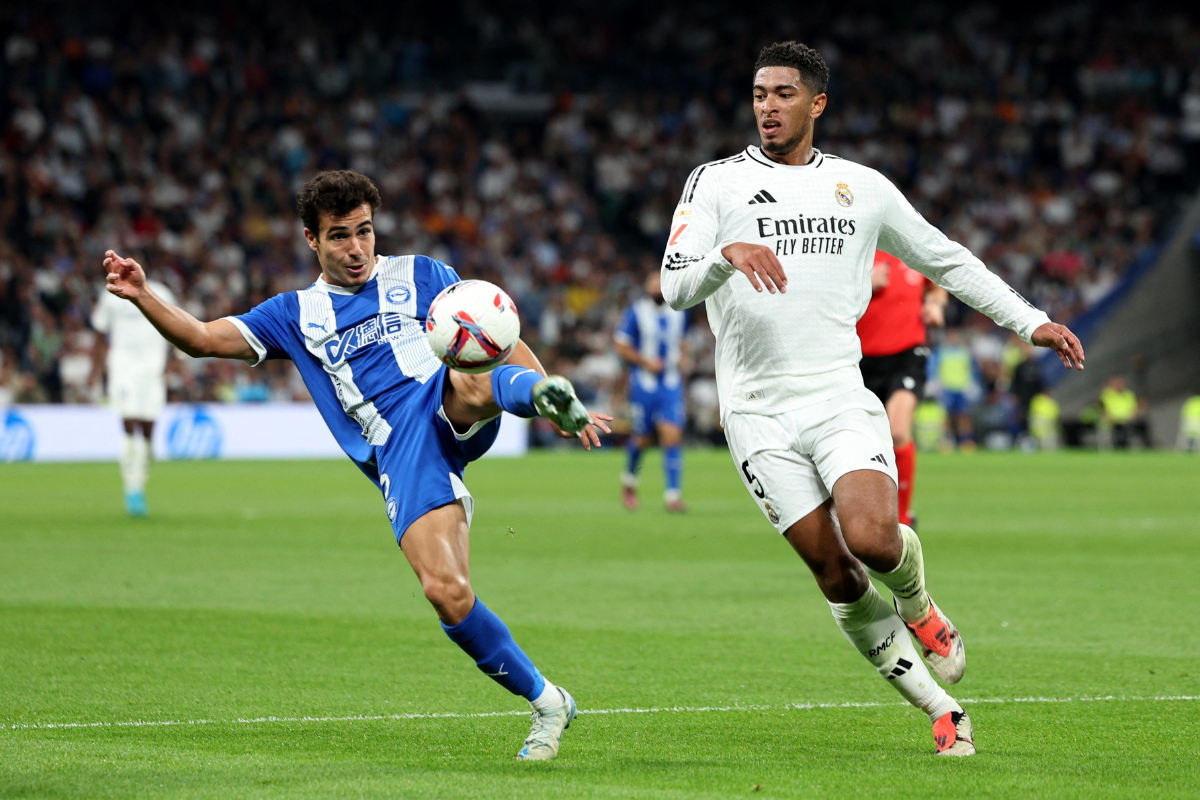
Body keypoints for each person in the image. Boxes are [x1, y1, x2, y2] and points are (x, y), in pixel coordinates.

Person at [660, 41, 1085, 757]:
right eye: (760, 93)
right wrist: (721, 258)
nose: (768, 105)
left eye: (784, 94)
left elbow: (945, 257)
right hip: (756, 413)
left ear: (817, 103)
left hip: (836, 394)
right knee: (834, 569)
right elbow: (673, 286)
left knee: (875, 540)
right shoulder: (717, 184)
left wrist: (1030, 320)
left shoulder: (863, 188)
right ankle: (942, 708)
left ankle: (919, 604)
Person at [101, 170, 612, 761]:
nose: (356, 248)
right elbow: (200, 338)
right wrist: (143, 295)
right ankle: (548, 702)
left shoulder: (423, 275)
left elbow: (494, 339)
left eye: (364, 232)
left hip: (445, 394)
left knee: (470, 385)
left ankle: (540, 398)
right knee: (446, 592)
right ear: (311, 241)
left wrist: (545, 391)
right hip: (399, 448)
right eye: (339, 236)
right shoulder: (294, 313)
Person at [856, 250, 948, 528]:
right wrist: (864, 284)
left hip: (907, 356)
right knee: (859, 443)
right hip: (858, 359)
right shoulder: (854, 244)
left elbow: (937, 282)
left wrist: (934, 303)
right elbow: (821, 293)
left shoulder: (910, 247)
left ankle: (902, 519)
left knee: (897, 432)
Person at [90, 267, 177, 516]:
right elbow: (99, 331)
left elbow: (177, 324)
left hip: (153, 371)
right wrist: (95, 370)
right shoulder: (111, 295)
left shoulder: (161, 293)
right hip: (122, 369)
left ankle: (145, 460)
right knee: (129, 425)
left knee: (148, 430)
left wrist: (176, 360)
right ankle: (133, 488)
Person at [614, 271, 688, 511]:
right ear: (646, 287)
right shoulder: (636, 312)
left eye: (660, 283)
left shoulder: (679, 311)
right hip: (644, 384)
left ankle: (673, 496)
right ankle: (629, 480)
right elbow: (621, 344)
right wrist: (646, 363)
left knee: (672, 435)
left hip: (670, 383)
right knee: (642, 439)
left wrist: (684, 358)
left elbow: (683, 341)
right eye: (652, 283)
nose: (656, 287)